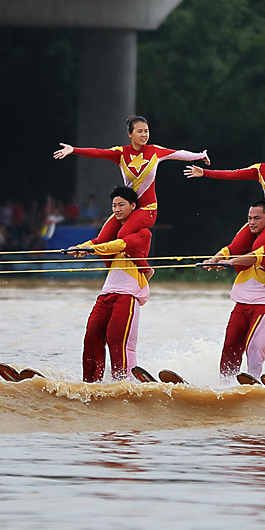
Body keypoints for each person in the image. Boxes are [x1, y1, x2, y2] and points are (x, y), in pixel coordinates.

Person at [54, 115, 210, 244]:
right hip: (127, 208)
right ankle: (114, 273)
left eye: (147, 131)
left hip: (147, 209)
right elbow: (98, 152)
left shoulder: (155, 151)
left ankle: (144, 269)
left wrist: (200, 156)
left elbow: (179, 153)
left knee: (122, 236)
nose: (144, 135)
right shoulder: (121, 153)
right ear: (130, 134)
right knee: (102, 240)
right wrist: (74, 150)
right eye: (140, 131)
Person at [68, 186, 154, 383]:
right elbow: (101, 241)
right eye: (114, 205)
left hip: (128, 295)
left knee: (117, 340)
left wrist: (90, 249)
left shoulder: (143, 233)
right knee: (92, 334)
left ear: (133, 206)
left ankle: (123, 383)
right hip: (107, 293)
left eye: (121, 205)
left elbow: (120, 245)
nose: (116, 209)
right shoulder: (111, 234)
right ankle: (91, 383)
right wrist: (80, 248)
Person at [201, 202, 265, 381]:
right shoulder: (244, 244)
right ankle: (224, 384)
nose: (252, 222)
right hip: (241, 304)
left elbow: (256, 257)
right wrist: (214, 259)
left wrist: (230, 262)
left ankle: (254, 380)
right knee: (230, 345)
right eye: (249, 218)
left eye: (257, 218)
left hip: (263, 304)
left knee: (255, 346)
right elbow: (230, 249)